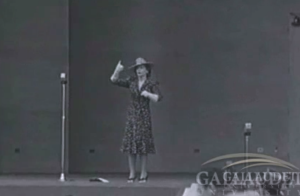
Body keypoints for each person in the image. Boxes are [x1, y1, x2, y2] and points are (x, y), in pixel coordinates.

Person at [110, 57, 163, 183]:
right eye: (137, 68)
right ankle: (132, 173)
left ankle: (144, 173)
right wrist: (117, 70)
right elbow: (114, 80)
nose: (139, 70)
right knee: (131, 145)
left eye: (141, 68)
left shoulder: (150, 83)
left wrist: (148, 94)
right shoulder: (132, 81)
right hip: (132, 116)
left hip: (144, 116)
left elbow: (159, 97)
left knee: (143, 145)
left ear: (146, 70)